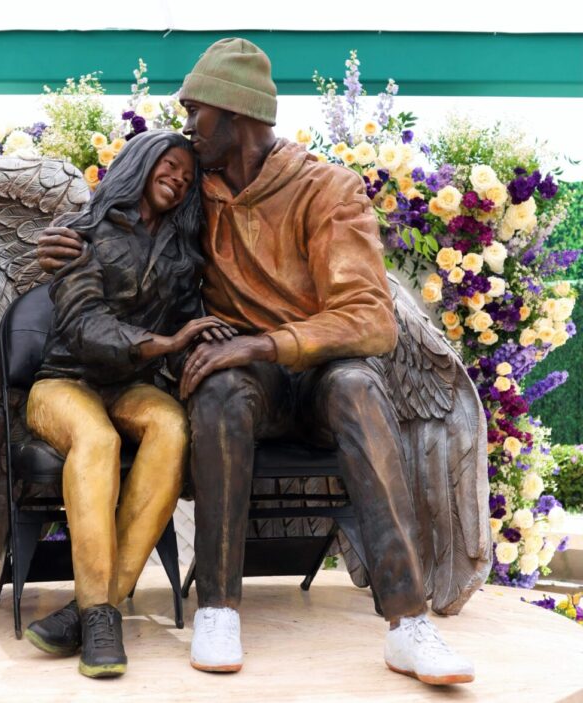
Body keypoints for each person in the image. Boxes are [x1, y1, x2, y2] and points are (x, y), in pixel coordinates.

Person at [37, 39, 476, 686]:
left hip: (324, 371)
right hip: (251, 383)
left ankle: (408, 624)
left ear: (234, 114)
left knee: (357, 385)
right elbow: (128, 211)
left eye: (196, 111)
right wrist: (69, 237)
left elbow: (369, 319)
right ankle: (217, 606)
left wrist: (259, 341)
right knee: (218, 388)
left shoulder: (327, 189)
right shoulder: (196, 191)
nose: (186, 125)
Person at [25, 129, 234, 679]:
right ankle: (100, 614)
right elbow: (86, 326)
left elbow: (192, 321)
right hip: (62, 382)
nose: (179, 179)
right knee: (97, 439)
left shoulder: (181, 255)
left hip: (128, 386)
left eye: (188, 177)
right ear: (142, 163)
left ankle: (95, 610)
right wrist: (166, 343)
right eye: (170, 165)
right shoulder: (80, 231)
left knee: (171, 425)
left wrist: (210, 347)